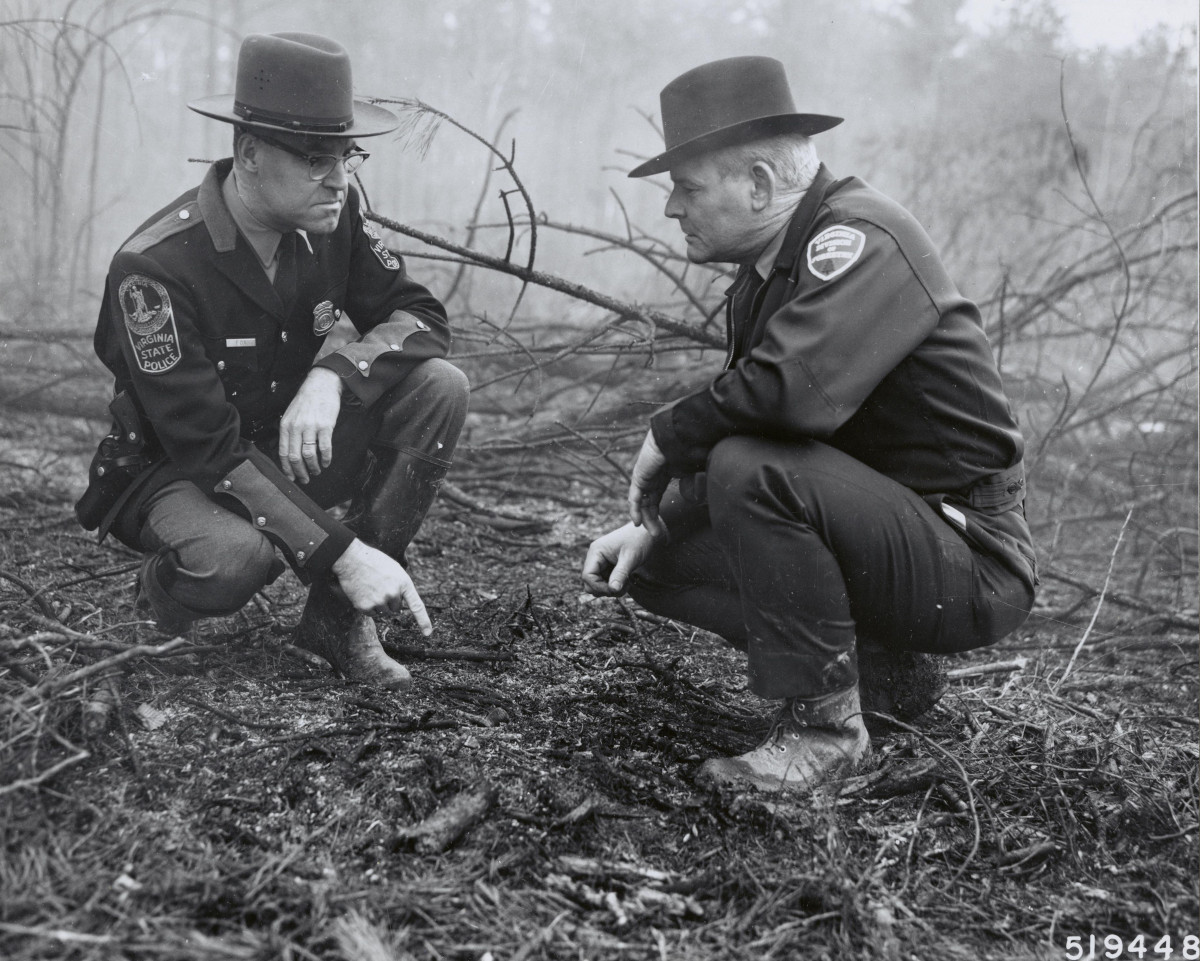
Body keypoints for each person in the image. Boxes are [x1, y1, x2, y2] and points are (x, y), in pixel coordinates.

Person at [582, 57, 1037, 793]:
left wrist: (667, 434)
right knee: (655, 558)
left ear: (760, 183)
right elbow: (779, 426)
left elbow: (786, 399)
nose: (672, 210)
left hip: (970, 558)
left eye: (687, 188)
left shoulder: (860, 238)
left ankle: (825, 731)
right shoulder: (770, 272)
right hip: (897, 535)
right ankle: (884, 675)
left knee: (748, 465)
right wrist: (657, 522)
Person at [76, 33, 469, 691]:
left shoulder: (333, 215)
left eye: (347, 156)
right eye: (317, 159)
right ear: (250, 153)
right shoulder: (154, 269)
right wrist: (343, 554)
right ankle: (158, 599)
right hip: (172, 468)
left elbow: (420, 317)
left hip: (276, 440)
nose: (339, 180)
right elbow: (207, 446)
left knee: (439, 387)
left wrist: (334, 373)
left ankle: (338, 625)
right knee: (235, 559)